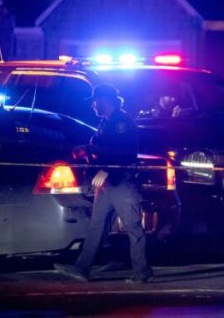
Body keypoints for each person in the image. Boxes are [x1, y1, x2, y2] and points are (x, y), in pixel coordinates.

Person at [55, 83, 153, 283]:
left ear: (105, 100)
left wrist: (106, 169)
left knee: (133, 227)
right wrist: (86, 149)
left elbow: (124, 153)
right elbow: (103, 145)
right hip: (107, 185)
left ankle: (141, 272)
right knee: (97, 225)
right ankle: (82, 268)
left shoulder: (122, 122)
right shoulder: (106, 123)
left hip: (121, 183)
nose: (93, 106)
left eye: (95, 101)